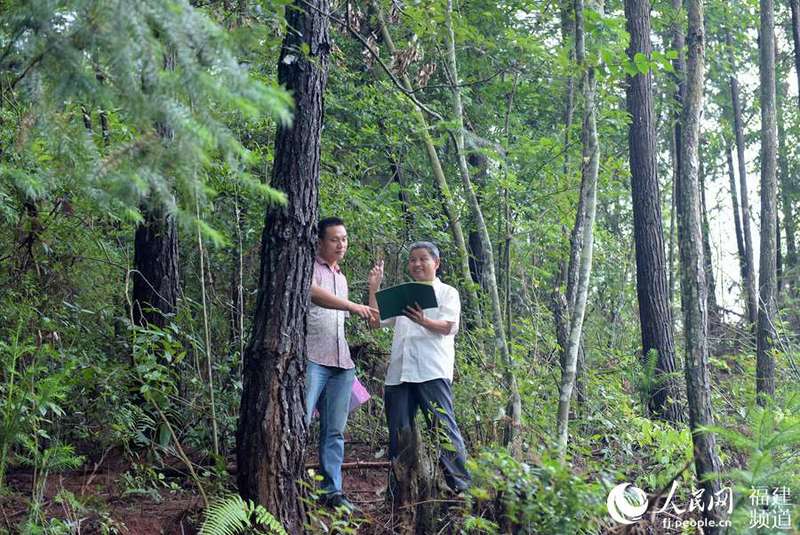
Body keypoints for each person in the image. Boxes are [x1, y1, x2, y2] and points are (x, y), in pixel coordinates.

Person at [367, 241, 471, 494]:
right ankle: (400, 494)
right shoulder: (402, 294)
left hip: (431, 370)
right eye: (413, 259)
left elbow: (449, 327)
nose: (417, 264)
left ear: (437, 263)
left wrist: (424, 320)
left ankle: (462, 488)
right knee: (399, 434)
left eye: (423, 259)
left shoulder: (447, 292)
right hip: (399, 374)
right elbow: (375, 322)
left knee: (443, 428)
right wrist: (374, 288)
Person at [306, 217, 378, 511]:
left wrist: (374, 288)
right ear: (321, 242)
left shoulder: (342, 277)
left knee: (334, 431)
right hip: (312, 358)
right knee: (298, 423)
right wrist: (351, 305)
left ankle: (332, 492)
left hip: (341, 362)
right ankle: (291, 484)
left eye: (345, 239)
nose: (341, 245)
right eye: (335, 239)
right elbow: (312, 293)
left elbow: (372, 319)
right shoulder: (308, 267)